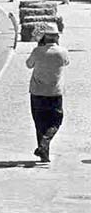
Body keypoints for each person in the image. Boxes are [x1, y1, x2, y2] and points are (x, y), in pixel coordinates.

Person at [26, 26, 69, 163]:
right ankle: (44, 149)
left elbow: (28, 64)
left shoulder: (37, 51)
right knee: (56, 121)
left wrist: (39, 45)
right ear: (57, 37)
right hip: (54, 93)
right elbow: (66, 63)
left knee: (40, 123)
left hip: (37, 92)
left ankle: (43, 149)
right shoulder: (62, 52)